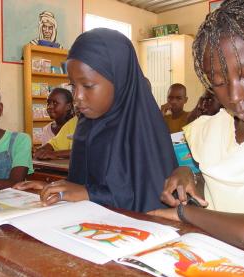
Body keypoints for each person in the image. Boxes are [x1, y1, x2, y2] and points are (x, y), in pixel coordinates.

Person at [149, 0, 244, 252]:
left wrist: (185, 213)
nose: (234, 95)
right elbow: (210, 187)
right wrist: (187, 173)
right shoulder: (206, 129)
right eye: (218, 82)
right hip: (209, 256)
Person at [15, 28, 177, 212]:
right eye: (73, 86)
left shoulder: (145, 130)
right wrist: (56, 189)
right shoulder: (86, 124)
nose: (77, 97)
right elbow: (83, 184)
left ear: (119, 78)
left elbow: (151, 202)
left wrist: (88, 194)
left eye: (88, 85)